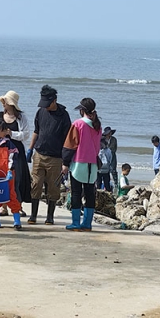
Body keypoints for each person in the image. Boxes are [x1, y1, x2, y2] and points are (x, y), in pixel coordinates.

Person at [27, 84, 71, 225]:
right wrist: (30, 149)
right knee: (36, 184)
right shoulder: (40, 112)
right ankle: (33, 215)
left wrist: (66, 161)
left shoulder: (64, 116)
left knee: (53, 187)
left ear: (54, 100)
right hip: (39, 154)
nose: (45, 106)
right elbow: (36, 131)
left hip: (55, 158)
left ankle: (50, 216)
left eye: (48, 103)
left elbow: (67, 140)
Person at [62, 97, 102, 231]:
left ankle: (75, 223)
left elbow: (70, 145)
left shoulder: (78, 124)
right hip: (93, 165)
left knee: (76, 193)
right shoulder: (98, 126)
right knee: (90, 193)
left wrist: (65, 163)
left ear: (82, 111)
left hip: (79, 164)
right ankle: (87, 223)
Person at [0, 90, 31, 216]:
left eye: (5, 101)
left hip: (17, 150)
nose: (3, 104)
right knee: (2, 177)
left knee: (18, 178)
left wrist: (11, 133)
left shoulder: (21, 117)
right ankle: (3, 206)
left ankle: (18, 205)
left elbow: (25, 135)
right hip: (2, 150)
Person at [0, 117, 22, 230]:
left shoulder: (8, 143)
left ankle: (17, 220)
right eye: (3, 130)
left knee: (11, 196)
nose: (5, 132)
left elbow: (13, 157)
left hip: (7, 174)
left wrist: (10, 171)